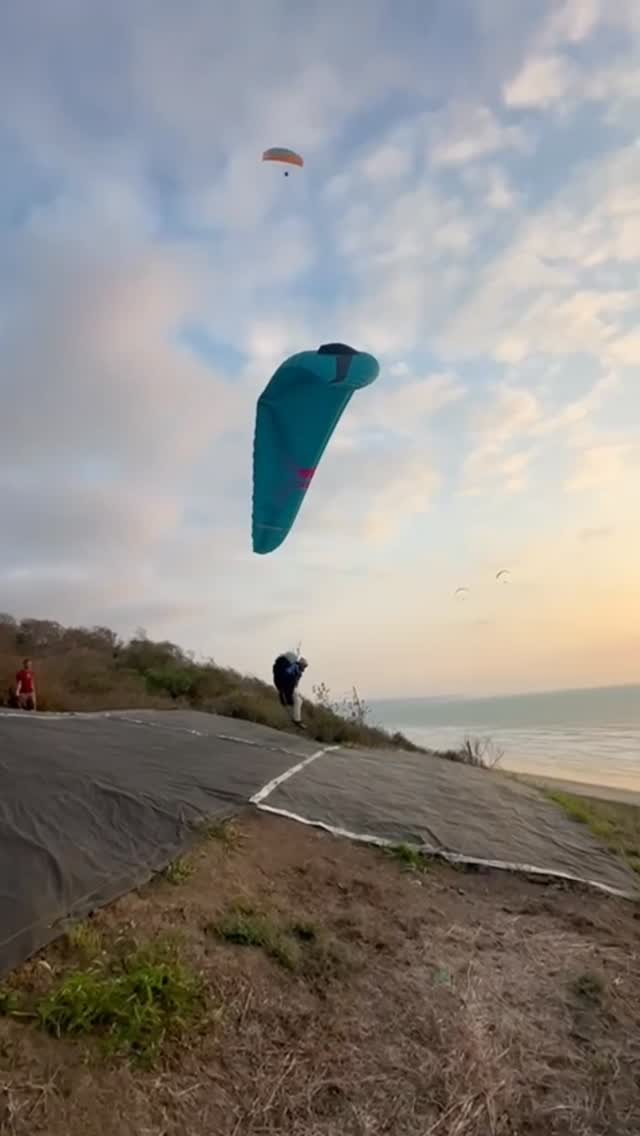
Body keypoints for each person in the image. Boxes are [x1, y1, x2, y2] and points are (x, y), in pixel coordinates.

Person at [273, 652, 308, 729]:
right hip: (288, 686)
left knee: (297, 701)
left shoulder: (298, 671)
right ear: (301, 664)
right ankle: (297, 720)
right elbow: (288, 674)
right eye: (304, 666)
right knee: (298, 701)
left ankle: (295, 718)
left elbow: (295, 683)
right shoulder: (295, 667)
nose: (304, 668)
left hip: (289, 686)